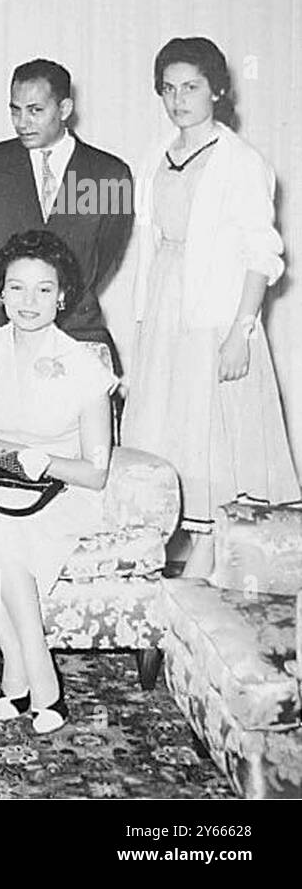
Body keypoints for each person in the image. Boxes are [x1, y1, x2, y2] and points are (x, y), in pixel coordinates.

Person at [121, 37, 299, 577]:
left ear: (217, 90)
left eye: (191, 87)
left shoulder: (242, 162)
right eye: (168, 89)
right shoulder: (157, 156)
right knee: (163, 437)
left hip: (217, 319)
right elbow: (152, 247)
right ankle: (168, 569)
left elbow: (260, 256)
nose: (179, 100)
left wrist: (240, 333)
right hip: (167, 314)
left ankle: (204, 567)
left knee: (214, 447)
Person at [0, 230, 117, 735]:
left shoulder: (85, 365)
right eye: (16, 288)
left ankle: (39, 680)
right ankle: (14, 654)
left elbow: (95, 471)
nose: (28, 302)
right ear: (1, 292)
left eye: (42, 289)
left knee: (0, 534)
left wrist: (28, 458)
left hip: (58, 491)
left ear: (62, 295)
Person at [0, 59, 133, 356]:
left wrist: (61, 302)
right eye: (15, 110)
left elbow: (106, 254)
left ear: (65, 109)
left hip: (75, 329)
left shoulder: (109, 174)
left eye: (35, 110)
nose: (22, 123)